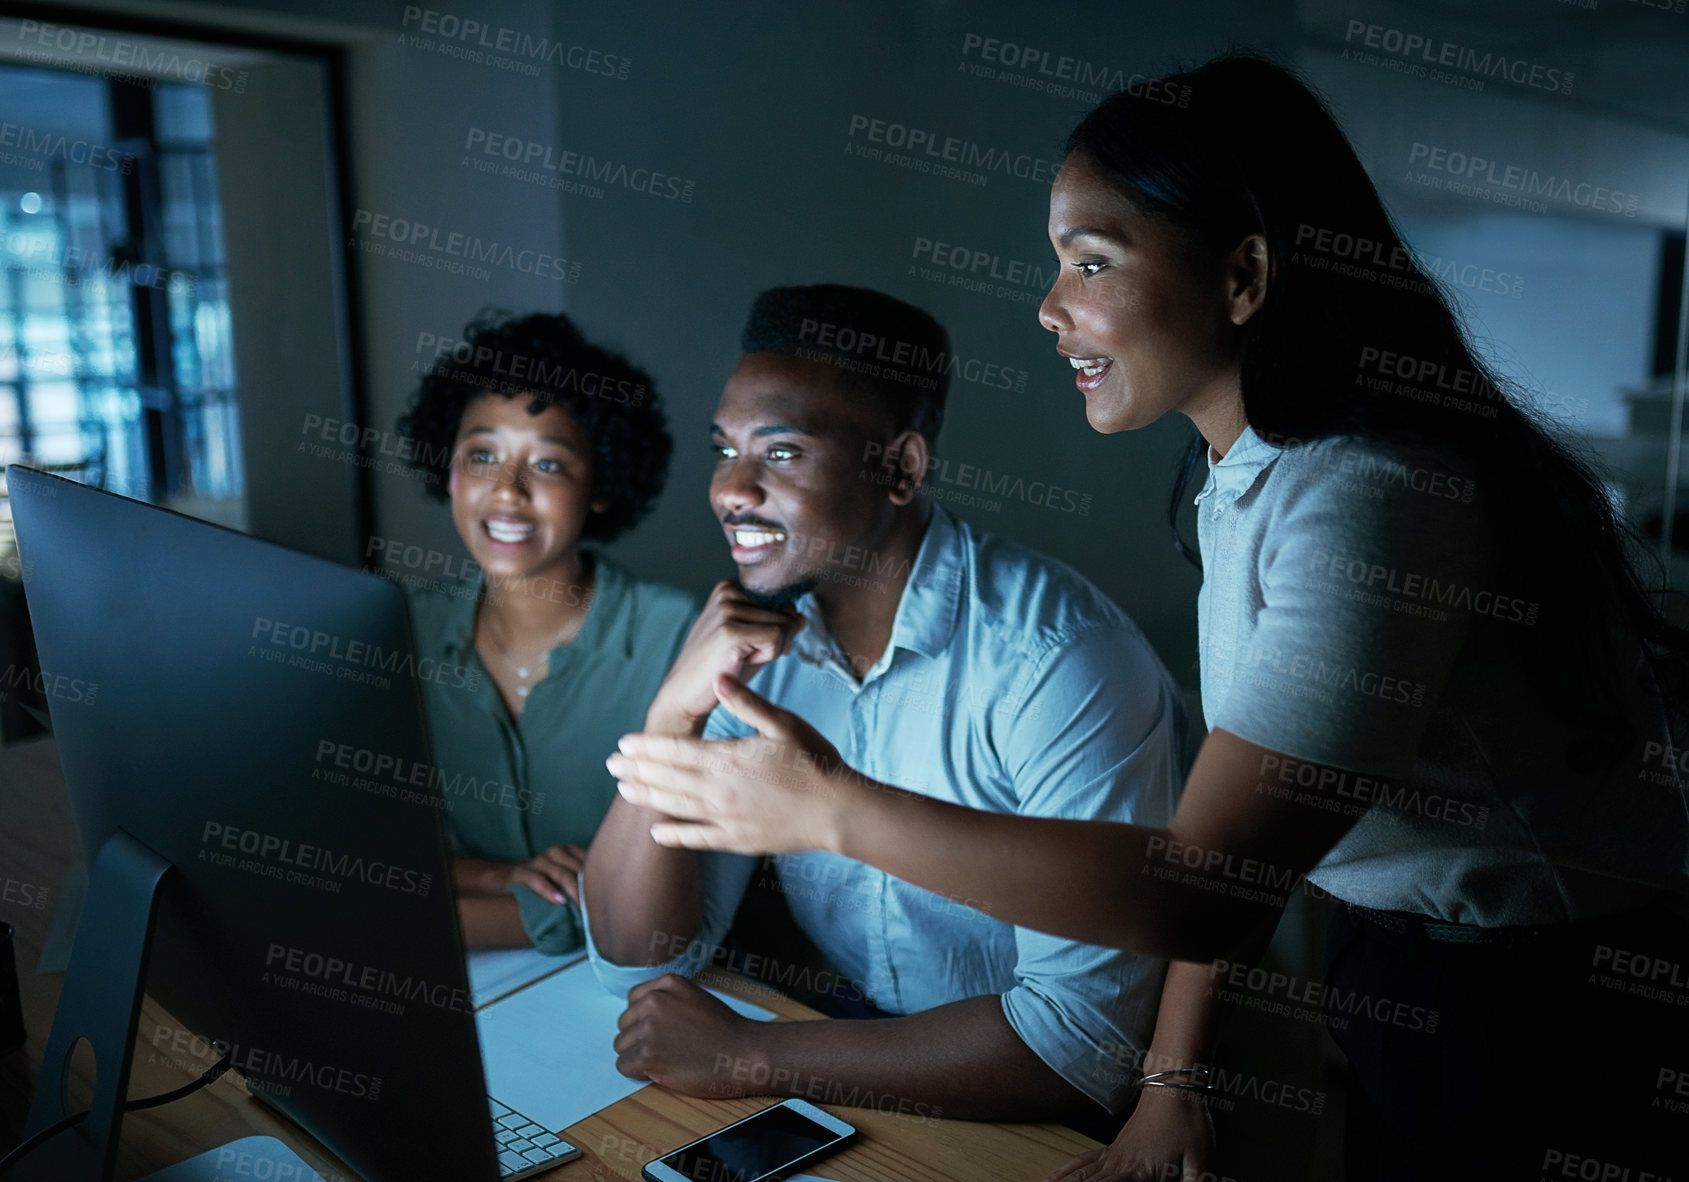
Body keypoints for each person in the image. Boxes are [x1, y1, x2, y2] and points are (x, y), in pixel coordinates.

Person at [605, 57, 1689, 1180]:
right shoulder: (1249, 476)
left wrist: (831, 814)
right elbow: (1257, 825)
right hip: (1397, 967)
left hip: (1548, 1000)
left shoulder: (1373, 499)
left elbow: (1204, 887)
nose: (1048, 306)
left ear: (1244, 275)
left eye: (1091, 261)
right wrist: (1176, 1078)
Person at [583, 284, 1216, 1152]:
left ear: (900, 468)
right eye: (723, 450)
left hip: (1040, 1119)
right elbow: (641, 953)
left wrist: (755, 1056)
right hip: (854, 1076)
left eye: (781, 452)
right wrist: (671, 716)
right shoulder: (754, 646)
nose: (730, 489)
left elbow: (1080, 1048)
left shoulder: (1058, 660)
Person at [396, 310, 695, 955]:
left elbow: (676, 899)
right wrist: (501, 877)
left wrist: (409, 923)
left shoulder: (680, 643)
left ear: (600, 485)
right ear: (447, 469)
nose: (507, 492)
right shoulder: (402, 632)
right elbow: (374, 849)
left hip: (640, 995)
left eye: (549, 465)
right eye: (482, 456)